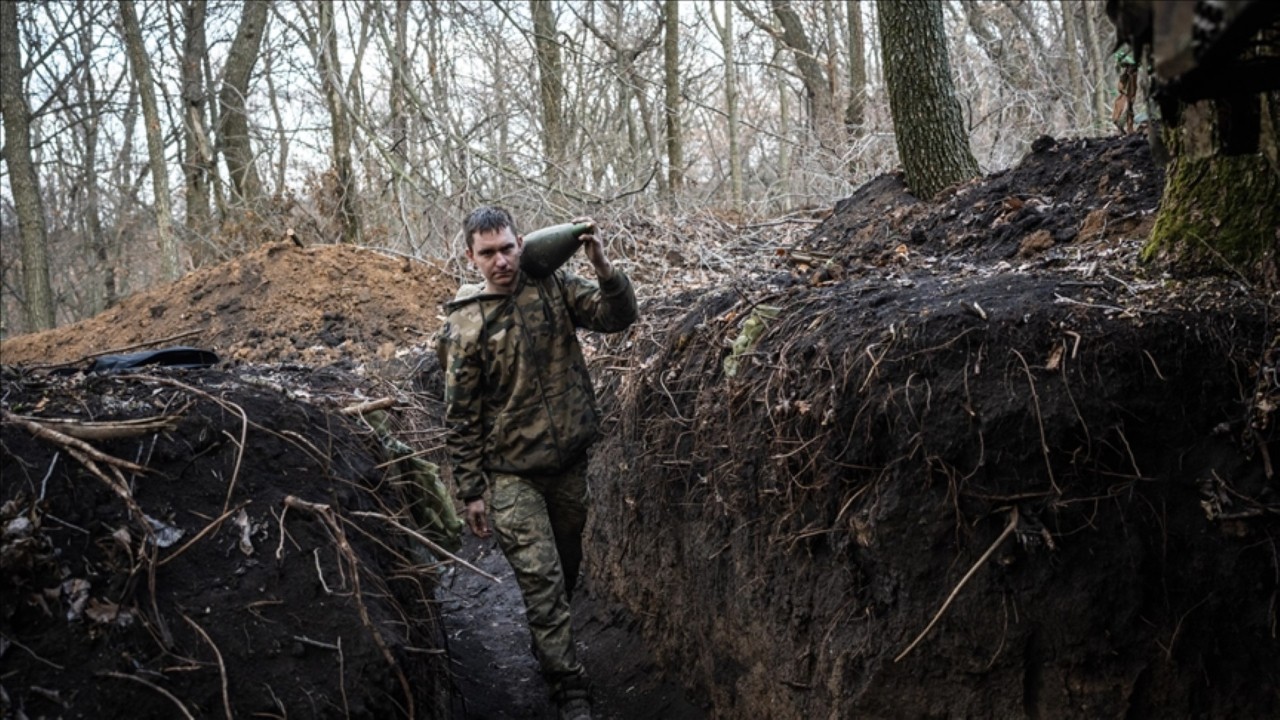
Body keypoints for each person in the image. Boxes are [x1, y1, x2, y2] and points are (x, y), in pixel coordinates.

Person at [435, 206, 638, 720]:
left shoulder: (553, 285)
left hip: (568, 463)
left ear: (521, 242)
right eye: (487, 253)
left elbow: (618, 318)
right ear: (470, 257)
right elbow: (460, 415)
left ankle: (550, 646)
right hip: (509, 475)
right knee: (543, 582)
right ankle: (569, 687)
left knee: (566, 570)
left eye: (507, 248)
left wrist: (604, 268)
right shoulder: (466, 323)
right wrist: (472, 490)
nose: (500, 261)